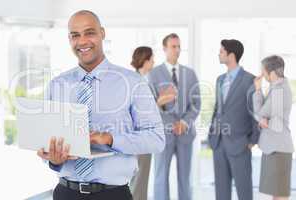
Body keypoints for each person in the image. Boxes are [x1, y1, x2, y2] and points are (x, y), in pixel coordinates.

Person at [37, 10, 165, 200]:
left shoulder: (132, 82)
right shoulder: (57, 85)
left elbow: (156, 139)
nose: (82, 41)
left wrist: (110, 139)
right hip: (65, 193)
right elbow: (46, 140)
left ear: (102, 33)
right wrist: (54, 160)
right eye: (75, 35)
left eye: (89, 32)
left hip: (112, 195)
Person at [148, 33, 201, 200]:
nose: (177, 50)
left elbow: (196, 103)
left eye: (179, 46)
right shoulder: (154, 74)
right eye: (173, 46)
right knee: (160, 176)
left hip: (185, 134)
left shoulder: (190, 74)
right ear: (164, 49)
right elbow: (150, 107)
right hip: (164, 134)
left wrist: (184, 123)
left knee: (185, 178)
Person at [208, 39, 260, 200]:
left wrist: (253, 139)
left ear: (231, 55)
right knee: (221, 193)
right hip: (219, 143)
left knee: (244, 191)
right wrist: (212, 133)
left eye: (222, 51)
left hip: (240, 143)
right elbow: (218, 108)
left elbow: (255, 111)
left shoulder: (249, 80)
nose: (219, 54)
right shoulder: (220, 79)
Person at [253, 55, 294, 200]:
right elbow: (265, 115)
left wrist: (257, 91)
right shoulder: (277, 88)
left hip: (278, 149)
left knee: (280, 195)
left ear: (271, 73)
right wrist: (263, 119)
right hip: (276, 148)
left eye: (263, 72)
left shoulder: (278, 91)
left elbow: (260, 113)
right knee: (277, 194)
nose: (262, 75)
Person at [129, 46, 154, 200]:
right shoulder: (136, 81)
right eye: (151, 59)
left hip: (143, 137)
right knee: (139, 179)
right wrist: (159, 102)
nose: (153, 62)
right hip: (140, 137)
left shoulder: (142, 80)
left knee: (140, 179)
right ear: (145, 61)